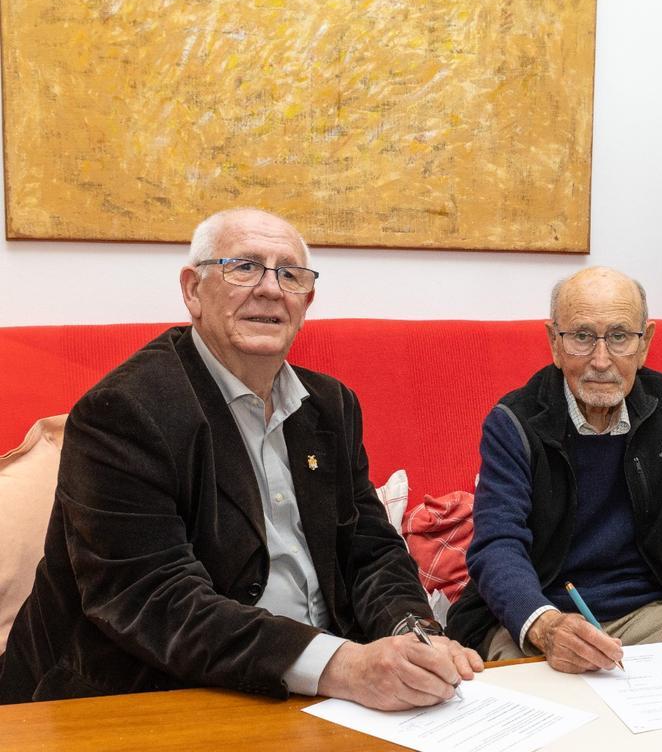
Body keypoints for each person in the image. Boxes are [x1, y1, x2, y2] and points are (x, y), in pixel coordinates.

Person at [0, 208, 482, 708]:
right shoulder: (123, 412)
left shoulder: (331, 405)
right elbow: (153, 597)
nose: (271, 289)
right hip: (155, 691)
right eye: (244, 267)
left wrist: (414, 632)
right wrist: (340, 665)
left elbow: (370, 548)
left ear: (306, 300)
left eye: (290, 274)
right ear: (192, 291)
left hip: (322, 689)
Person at [446, 266, 662, 672]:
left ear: (645, 343)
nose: (601, 360)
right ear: (554, 344)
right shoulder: (513, 421)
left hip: (646, 610)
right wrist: (546, 626)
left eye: (619, 337)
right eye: (582, 337)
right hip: (542, 613)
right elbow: (497, 546)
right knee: (531, 705)